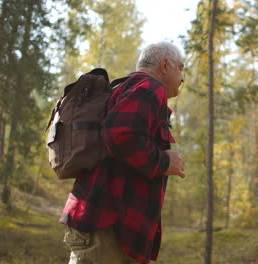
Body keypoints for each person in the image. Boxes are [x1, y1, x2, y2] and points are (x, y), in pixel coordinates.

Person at [59, 42, 186, 264]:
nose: (183, 78)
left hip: (105, 227)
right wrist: (165, 161)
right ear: (165, 65)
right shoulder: (149, 87)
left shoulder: (127, 88)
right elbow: (120, 135)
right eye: (181, 68)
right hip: (109, 230)